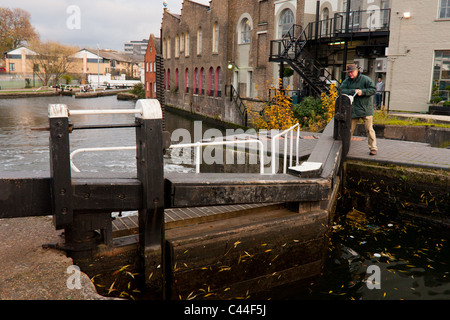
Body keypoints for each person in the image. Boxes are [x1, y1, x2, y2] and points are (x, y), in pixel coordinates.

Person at [339, 64, 378, 155]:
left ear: (357, 71)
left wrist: (362, 92)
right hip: (353, 110)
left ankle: (373, 148)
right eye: (348, 72)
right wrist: (354, 91)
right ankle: (345, 148)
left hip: (366, 109)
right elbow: (340, 91)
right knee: (349, 130)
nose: (350, 74)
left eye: (351, 72)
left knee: (369, 130)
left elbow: (373, 90)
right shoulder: (347, 81)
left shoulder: (365, 79)